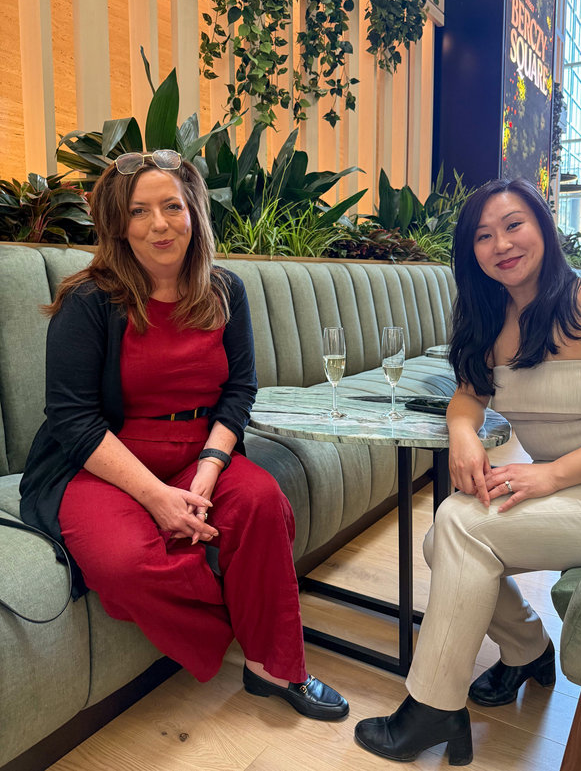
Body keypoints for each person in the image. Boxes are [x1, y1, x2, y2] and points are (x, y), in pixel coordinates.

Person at [19, 149, 348, 721]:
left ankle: (272, 666)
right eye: (139, 211)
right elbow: (72, 419)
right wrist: (157, 497)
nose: (160, 224)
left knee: (263, 503)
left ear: (193, 212)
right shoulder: (89, 300)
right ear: (119, 224)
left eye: (172, 206)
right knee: (125, 563)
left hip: (201, 452)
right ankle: (243, 623)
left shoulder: (225, 290)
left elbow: (239, 390)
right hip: (104, 462)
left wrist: (208, 469)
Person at [355, 177, 581, 763]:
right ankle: (528, 650)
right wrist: (463, 434)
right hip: (579, 492)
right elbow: (468, 396)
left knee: (457, 527)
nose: (502, 244)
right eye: (484, 236)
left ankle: (434, 706)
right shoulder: (490, 319)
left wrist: (553, 475)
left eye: (514, 225)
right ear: (471, 253)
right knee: (444, 538)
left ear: (543, 226)